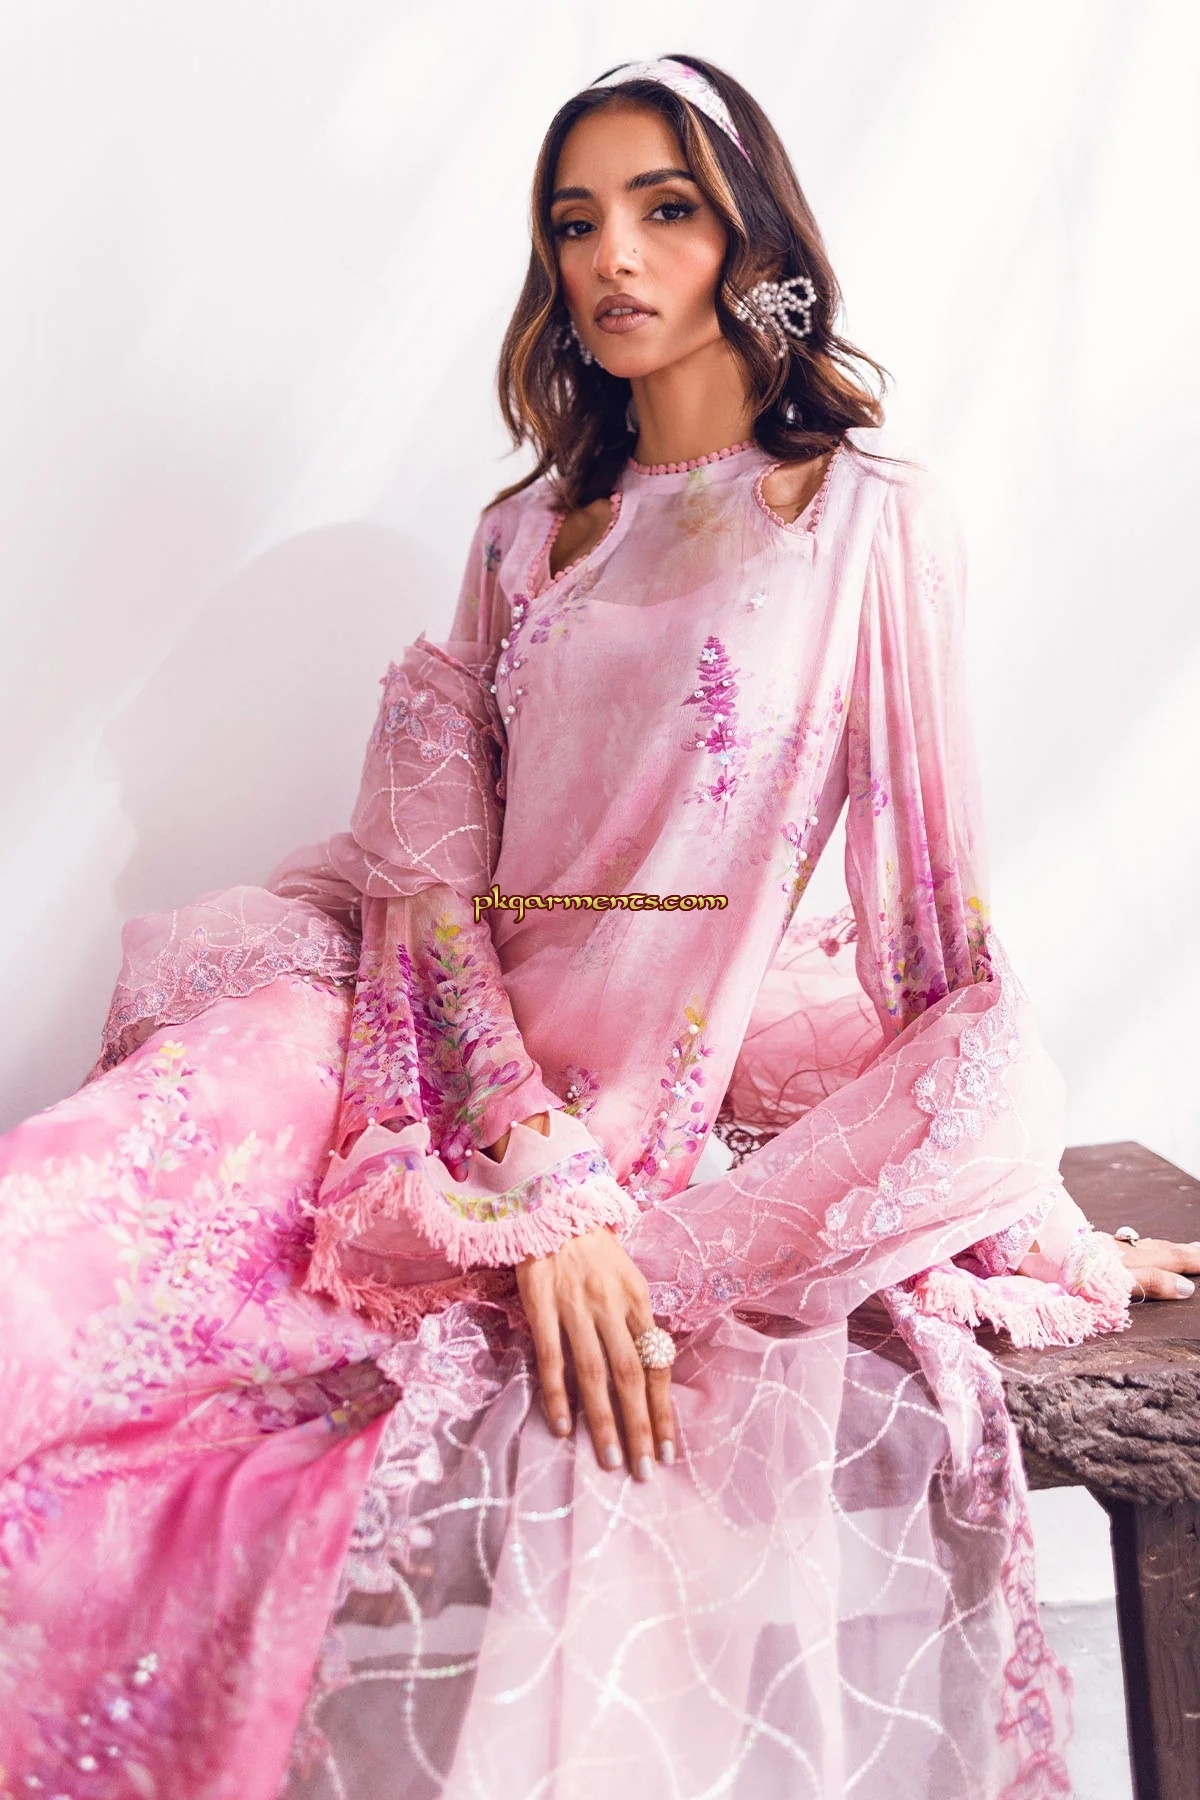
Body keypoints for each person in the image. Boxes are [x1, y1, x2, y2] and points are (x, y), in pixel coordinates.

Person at [2, 51, 1196, 1800]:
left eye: (666, 209)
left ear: (752, 240)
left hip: (663, 1096)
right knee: (79, 1226)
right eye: (576, 223)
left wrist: (1036, 1229)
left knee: (985, 1079)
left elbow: (941, 958)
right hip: (412, 1055)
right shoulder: (522, 539)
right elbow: (437, 914)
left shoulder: (868, 524)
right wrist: (537, 1191)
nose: (613, 258)